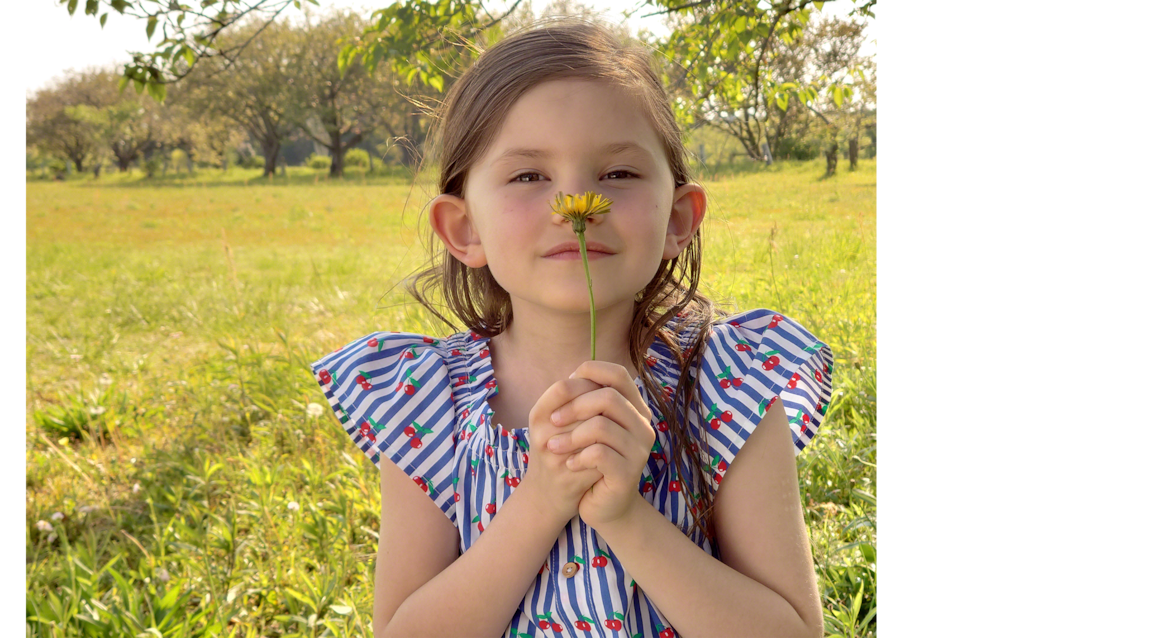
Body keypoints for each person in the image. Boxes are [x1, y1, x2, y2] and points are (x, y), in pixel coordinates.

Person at [309, 19, 833, 638]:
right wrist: (541, 500)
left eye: (619, 174)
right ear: (464, 230)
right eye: (529, 176)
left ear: (678, 218)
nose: (575, 204)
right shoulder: (428, 401)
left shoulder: (729, 382)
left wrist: (626, 517)